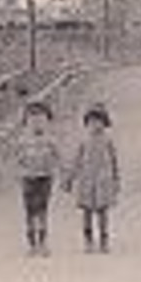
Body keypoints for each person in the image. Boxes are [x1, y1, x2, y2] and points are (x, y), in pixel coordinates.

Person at [64, 104, 120, 253]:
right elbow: (76, 161)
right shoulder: (83, 141)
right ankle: (88, 240)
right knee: (87, 212)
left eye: (99, 121)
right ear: (87, 124)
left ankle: (104, 240)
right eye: (91, 122)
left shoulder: (108, 141)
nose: (95, 125)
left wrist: (116, 180)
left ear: (105, 123)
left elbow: (114, 161)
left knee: (103, 212)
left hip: (103, 182)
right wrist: (69, 178)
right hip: (87, 181)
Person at [16, 101, 61, 256]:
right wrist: (21, 171)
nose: (37, 124)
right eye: (32, 120)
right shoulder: (22, 141)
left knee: (42, 210)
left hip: (45, 177)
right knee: (30, 211)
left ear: (47, 122)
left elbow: (58, 158)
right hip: (28, 178)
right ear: (26, 123)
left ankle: (42, 242)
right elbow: (18, 159)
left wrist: (61, 171)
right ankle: (31, 243)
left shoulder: (51, 140)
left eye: (41, 120)